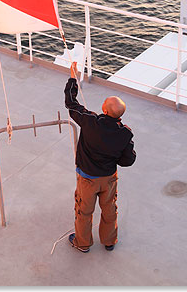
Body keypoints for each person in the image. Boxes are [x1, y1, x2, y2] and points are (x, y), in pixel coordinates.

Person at [64, 62, 136, 253]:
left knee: (84, 211)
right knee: (109, 210)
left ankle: (83, 243)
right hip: (109, 179)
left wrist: (73, 78)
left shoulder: (90, 121)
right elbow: (128, 160)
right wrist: (114, 158)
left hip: (88, 178)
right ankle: (109, 241)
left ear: (104, 110)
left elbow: (71, 104)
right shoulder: (125, 134)